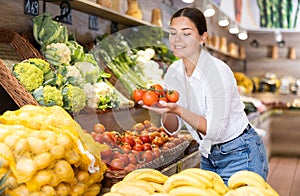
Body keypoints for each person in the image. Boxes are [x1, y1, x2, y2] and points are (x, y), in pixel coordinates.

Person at [140, 7, 269, 185]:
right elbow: (172, 128)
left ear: (202, 37)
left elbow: (215, 129)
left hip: (240, 153)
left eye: (186, 34)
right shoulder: (174, 71)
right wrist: (165, 110)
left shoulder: (218, 72)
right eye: (173, 33)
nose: (177, 39)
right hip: (208, 154)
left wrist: (178, 109)